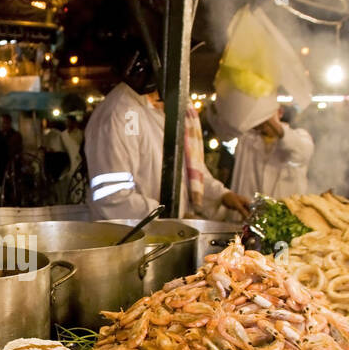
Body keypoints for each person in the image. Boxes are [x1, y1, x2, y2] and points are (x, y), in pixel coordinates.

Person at [86, 46, 249, 220]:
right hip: (133, 239)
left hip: (167, 235)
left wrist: (222, 196)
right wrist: (175, 216)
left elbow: (189, 173)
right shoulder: (122, 114)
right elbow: (113, 198)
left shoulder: (171, 110)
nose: (185, 74)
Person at [228, 105, 314, 202]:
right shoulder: (246, 138)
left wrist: (273, 124)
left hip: (284, 214)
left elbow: (301, 153)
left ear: (280, 112)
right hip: (246, 212)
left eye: (267, 113)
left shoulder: (301, 136)